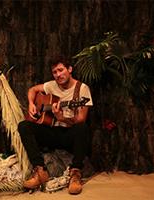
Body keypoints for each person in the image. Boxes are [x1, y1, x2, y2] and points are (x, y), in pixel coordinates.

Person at [18, 57, 93, 195]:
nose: (58, 75)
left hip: (69, 135)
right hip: (52, 132)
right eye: (54, 72)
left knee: (82, 128)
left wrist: (61, 117)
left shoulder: (82, 89)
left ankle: (75, 174)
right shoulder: (51, 85)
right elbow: (33, 90)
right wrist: (31, 104)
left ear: (69, 69)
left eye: (61, 70)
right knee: (24, 126)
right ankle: (40, 171)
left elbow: (81, 119)